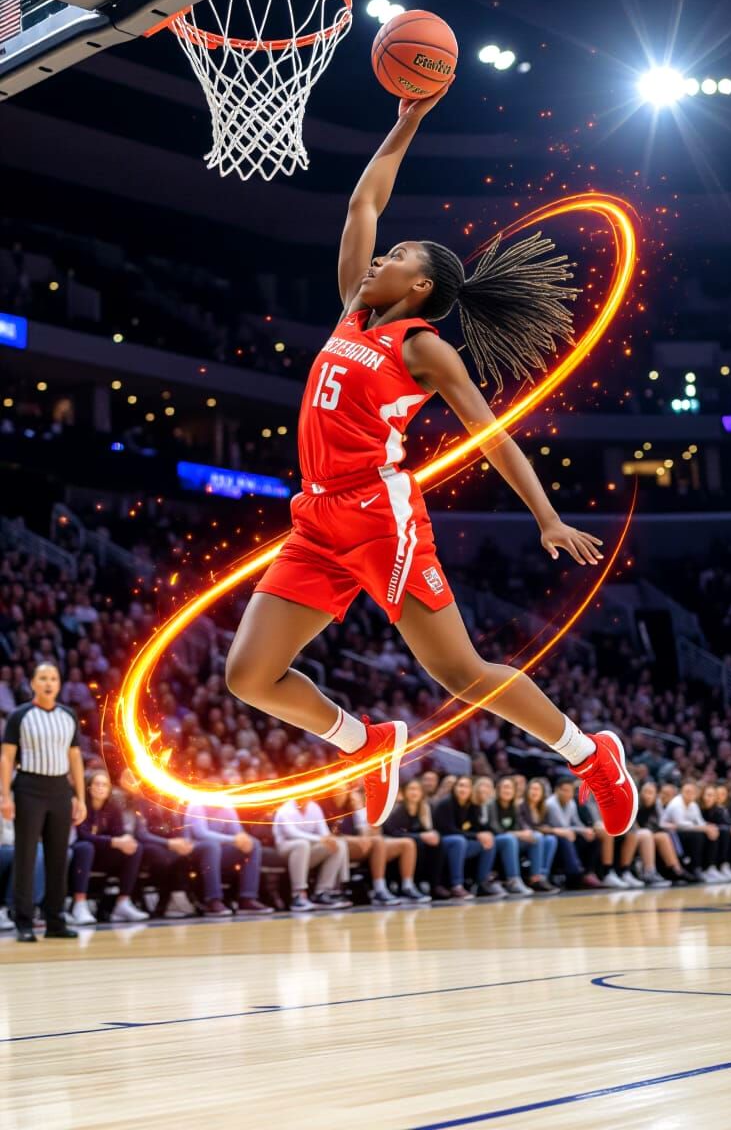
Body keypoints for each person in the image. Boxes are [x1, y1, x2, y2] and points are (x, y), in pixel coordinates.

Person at [223, 86, 637, 843]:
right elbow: (362, 206)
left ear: (418, 288)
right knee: (249, 677)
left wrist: (546, 516)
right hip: (316, 515)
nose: (381, 254)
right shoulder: (354, 306)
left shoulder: (423, 347)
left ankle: (591, 757)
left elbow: (492, 434)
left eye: (399, 256)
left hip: (381, 516)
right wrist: (406, 119)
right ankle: (366, 743)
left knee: (458, 671)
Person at [0, 662, 86, 941]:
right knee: (26, 856)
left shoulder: (68, 715)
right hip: (28, 788)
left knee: (58, 857)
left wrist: (80, 797)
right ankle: (23, 921)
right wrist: (5, 796)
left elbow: (75, 758)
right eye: (43, 678)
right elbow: (6, 758)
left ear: (59, 684)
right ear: (33, 684)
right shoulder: (19, 715)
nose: (48, 683)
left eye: (53, 678)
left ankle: (55, 920)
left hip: (60, 788)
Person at [325, 785, 429, 906]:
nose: (344, 792)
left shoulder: (357, 809)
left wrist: (359, 810)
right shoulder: (330, 810)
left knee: (407, 843)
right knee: (378, 842)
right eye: (339, 789)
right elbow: (331, 835)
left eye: (345, 789)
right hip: (345, 845)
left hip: (365, 843)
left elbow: (373, 832)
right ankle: (379, 889)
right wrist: (361, 838)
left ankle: (407, 887)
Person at [76, 769, 149, 922]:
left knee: (135, 848)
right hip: (81, 855)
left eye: (105, 784)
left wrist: (126, 839)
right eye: (97, 784)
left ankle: (123, 903)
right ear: (88, 787)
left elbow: (119, 833)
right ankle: (79, 904)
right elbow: (82, 835)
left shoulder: (112, 807)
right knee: (86, 847)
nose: (101, 787)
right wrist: (113, 842)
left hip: (103, 855)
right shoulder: (81, 805)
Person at [184, 799, 274, 916]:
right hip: (194, 849)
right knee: (212, 846)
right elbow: (201, 833)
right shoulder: (196, 805)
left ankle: (247, 899)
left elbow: (237, 833)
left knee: (253, 844)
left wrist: (244, 840)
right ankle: (213, 900)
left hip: (220, 852)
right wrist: (233, 840)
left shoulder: (226, 806)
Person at [272, 796, 352, 911]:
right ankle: (298, 895)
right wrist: (320, 839)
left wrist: (328, 839)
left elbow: (323, 832)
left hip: (308, 849)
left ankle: (322, 893)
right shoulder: (285, 810)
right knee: (301, 844)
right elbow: (292, 834)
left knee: (337, 845)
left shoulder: (314, 807)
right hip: (285, 849)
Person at [383, 776, 458, 898]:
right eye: (411, 789)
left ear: (421, 792)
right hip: (397, 843)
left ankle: (435, 885)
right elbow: (393, 833)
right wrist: (420, 836)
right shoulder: (398, 809)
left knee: (438, 842)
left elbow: (428, 830)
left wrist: (432, 835)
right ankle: (413, 884)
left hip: (417, 841)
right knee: (418, 843)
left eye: (417, 789)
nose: (414, 792)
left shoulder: (424, 808)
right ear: (405, 792)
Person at [432, 774, 504, 899]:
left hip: (462, 842)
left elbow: (477, 828)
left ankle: (482, 883)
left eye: (467, 787)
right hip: (443, 842)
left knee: (487, 841)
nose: (463, 789)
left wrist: (484, 835)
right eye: (460, 785)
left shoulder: (472, 805)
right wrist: (477, 835)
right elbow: (450, 830)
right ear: (455, 788)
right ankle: (456, 886)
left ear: (472, 790)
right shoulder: (446, 803)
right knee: (459, 841)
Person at [660, 780, 722, 883]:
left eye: (692, 791)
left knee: (713, 831)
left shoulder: (693, 805)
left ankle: (710, 867)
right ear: (682, 791)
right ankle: (695, 868)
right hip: (671, 832)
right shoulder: (676, 803)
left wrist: (709, 827)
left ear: (696, 794)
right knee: (698, 835)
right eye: (686, 791)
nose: (689, 794)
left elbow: (700, 822)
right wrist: (703, 828)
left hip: (683, 831)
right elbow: (680, 825)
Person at [636, 781, 692, 885]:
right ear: (640, 793)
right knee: (649, 834)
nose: (647, 795)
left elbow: (661, 823)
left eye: (650, 793)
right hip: (640, 834)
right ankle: (649, 872)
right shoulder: (636, 804)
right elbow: (635, 826)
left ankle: (677, 870)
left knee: (663, 836)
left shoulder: (657, 805)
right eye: (645, 792)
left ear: (655, 795)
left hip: (651, 833)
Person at [515, 777, 560, 894]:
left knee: (551, 839)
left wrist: (544, 830)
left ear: (542, 793)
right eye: (532, 789)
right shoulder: (521, 805)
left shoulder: (544, 808)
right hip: (523, 838)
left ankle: (543, 876)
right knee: (539, 837)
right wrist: (541, 830)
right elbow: (524, 826)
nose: (534, 792)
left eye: (538, 790)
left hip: (536, 838)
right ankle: (535, 877)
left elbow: (547, 826)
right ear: (527, 791)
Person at [700, 782, 731, 882]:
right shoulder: (701, 807)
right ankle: (717, 867)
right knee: (726, 831)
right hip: (707, 832)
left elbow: (729, 823)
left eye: (724, 794)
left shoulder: (723, 808)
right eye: (717, 794)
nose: (719, 797)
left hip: (717, 831)